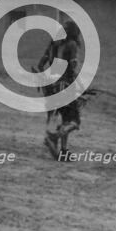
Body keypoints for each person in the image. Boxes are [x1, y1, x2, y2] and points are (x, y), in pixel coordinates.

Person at [42, 20, 83, 160]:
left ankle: (64, 151)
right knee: (74, 121)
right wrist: (80, 85)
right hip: (66, 85)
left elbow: (41, 64)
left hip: (54, 86)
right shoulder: (71, 45)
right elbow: (72, 66)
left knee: (65, 119)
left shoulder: (56, 44)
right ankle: (54, 136)